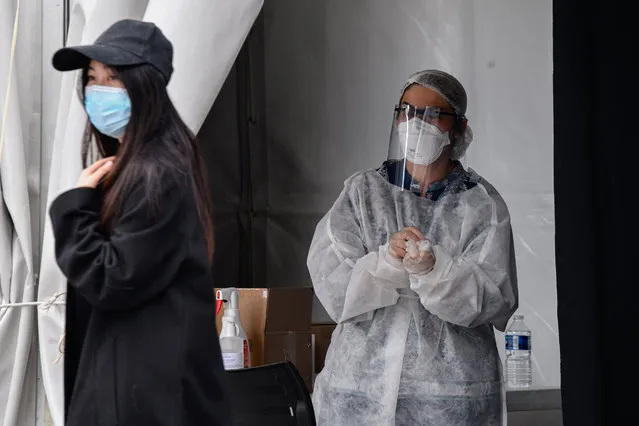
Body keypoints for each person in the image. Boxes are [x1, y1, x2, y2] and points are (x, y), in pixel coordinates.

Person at [308, 69, 518, 425]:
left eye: (432, 114)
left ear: (458, 128)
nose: (415, 122)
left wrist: (434, 271)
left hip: (450, 399)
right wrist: (386, 262)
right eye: (406, 111)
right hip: (359, 392)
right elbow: (334, 288)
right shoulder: (362, 193)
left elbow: (492, 298)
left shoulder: (481, 205)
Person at [49, 19, 232, 426]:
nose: (97, 91)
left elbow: (113, 279)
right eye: (92, 78)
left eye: (113, 79)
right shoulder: (141, 167)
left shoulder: (158, 173)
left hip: (147, 397)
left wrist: (74, 209)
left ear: (145, 86)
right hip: (137, 388)